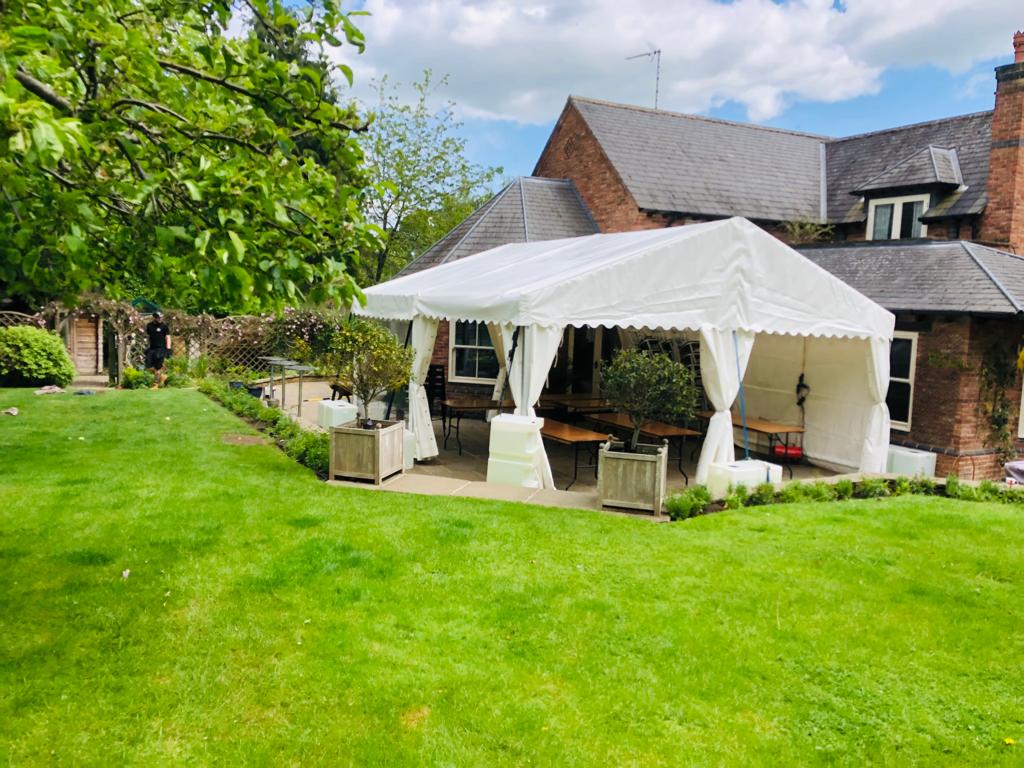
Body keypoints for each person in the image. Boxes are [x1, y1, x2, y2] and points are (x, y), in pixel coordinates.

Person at [144, 311, 171, 387]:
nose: (160, 319)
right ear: (154, 318)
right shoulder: (149, 326)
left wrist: (168, 349)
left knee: (159, 366)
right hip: (152, 348)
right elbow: (148, 337)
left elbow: (168, 337)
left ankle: (156, 383)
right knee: (148, 366)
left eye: (161, 317)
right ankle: (162, 377)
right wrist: (147, 346)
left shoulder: (164, 326)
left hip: (161, 349)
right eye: (159, 317)